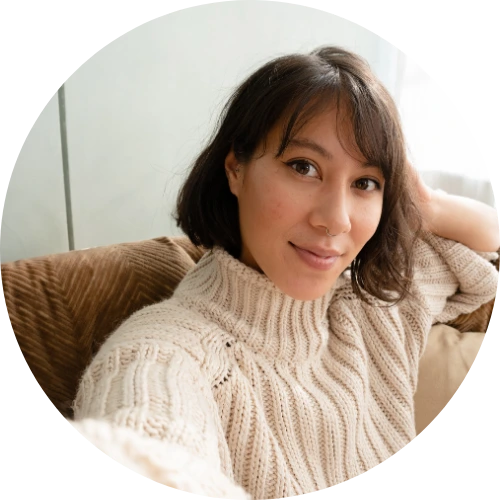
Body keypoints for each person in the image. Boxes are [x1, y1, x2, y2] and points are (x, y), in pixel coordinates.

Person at [68, 46, 499, 499]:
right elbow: (148, 436)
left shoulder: (376, 306)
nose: (336, 220)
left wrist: (423, 204)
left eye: (364, 183)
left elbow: (487, 237)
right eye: (303, 167)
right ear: (236, 169)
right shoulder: (168, 352)